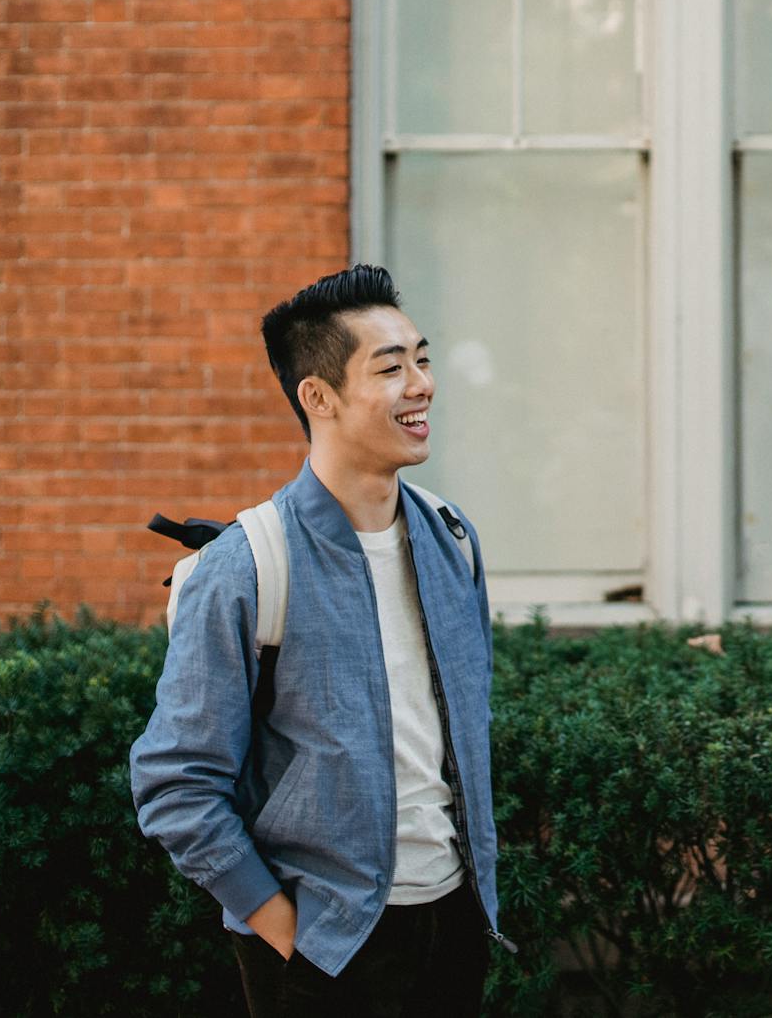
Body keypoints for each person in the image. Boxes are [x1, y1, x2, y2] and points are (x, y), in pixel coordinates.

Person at [131, 265, 507, 1017]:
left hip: (456, 924)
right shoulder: (248, 564)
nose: (422, 384)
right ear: (319, 396)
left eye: (423, 359)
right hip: (322, 949)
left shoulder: (453, 539)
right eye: (391, 367)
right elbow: (175, 782)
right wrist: (278, 923)